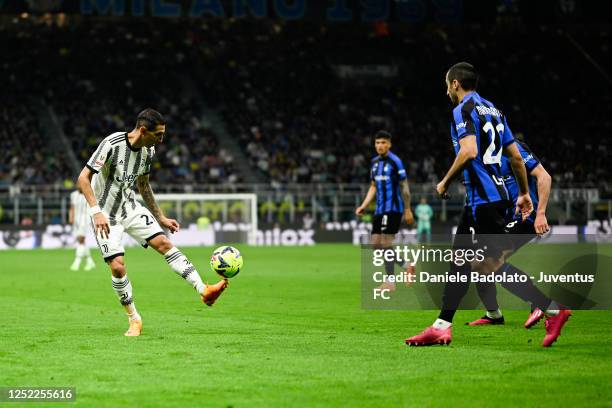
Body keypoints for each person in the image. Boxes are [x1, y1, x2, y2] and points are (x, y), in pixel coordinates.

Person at [405, 62, 571, 347]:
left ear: (455, 83)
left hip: (485, 201)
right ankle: (441, 326)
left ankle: (553, 309)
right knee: (460, 263)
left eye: (447, 83)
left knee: (487, 265)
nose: (446, 89)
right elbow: (516, 158)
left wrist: (445, 181)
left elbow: (468, 151)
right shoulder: (494, 110)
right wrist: (522, 193)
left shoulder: (463, 110)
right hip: (488, 200)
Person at [77, 108, 228, 337]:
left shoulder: (148, 152)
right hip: (105, 216)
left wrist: (160, 217)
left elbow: (144, 185)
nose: (161, 139)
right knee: (117, 267)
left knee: (164, 244)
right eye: (158, 134)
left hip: (130, 207)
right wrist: (96, 211)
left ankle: (204, 289)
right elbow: (83, 178)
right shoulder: (112, 143)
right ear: (143, 130)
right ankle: (134, 319)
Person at [468, 140, 554, 328]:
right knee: (477, 261)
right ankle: (493, 314)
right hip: (504, 218)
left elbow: (544, 177)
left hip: (526, 216)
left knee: (490, 260)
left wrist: (540, 213)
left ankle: (542, 303)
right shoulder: (484, 155)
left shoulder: (513, 149)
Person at [356, 130, 414, 291]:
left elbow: (405, 187)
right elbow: (373, 186)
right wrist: (364, 205)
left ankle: (390, 282)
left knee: (386, 243)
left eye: (383, 142)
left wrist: (407, 209)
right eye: (377, 143)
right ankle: (407, 265)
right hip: (379, 210)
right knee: (376, 244)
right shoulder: (374, 163)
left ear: (389, 144)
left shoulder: (396, 162)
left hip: (393, 209)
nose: (380, 145)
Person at [69, 187, 96, 271]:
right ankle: (90, 261)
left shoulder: (89, 193)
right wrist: (71, 217)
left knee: (81, 239)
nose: (79, 186)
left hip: (85, 220)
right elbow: (72, 207)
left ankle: (77, 261)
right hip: (77, 221)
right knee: (81, 241)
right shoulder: (73, 195)